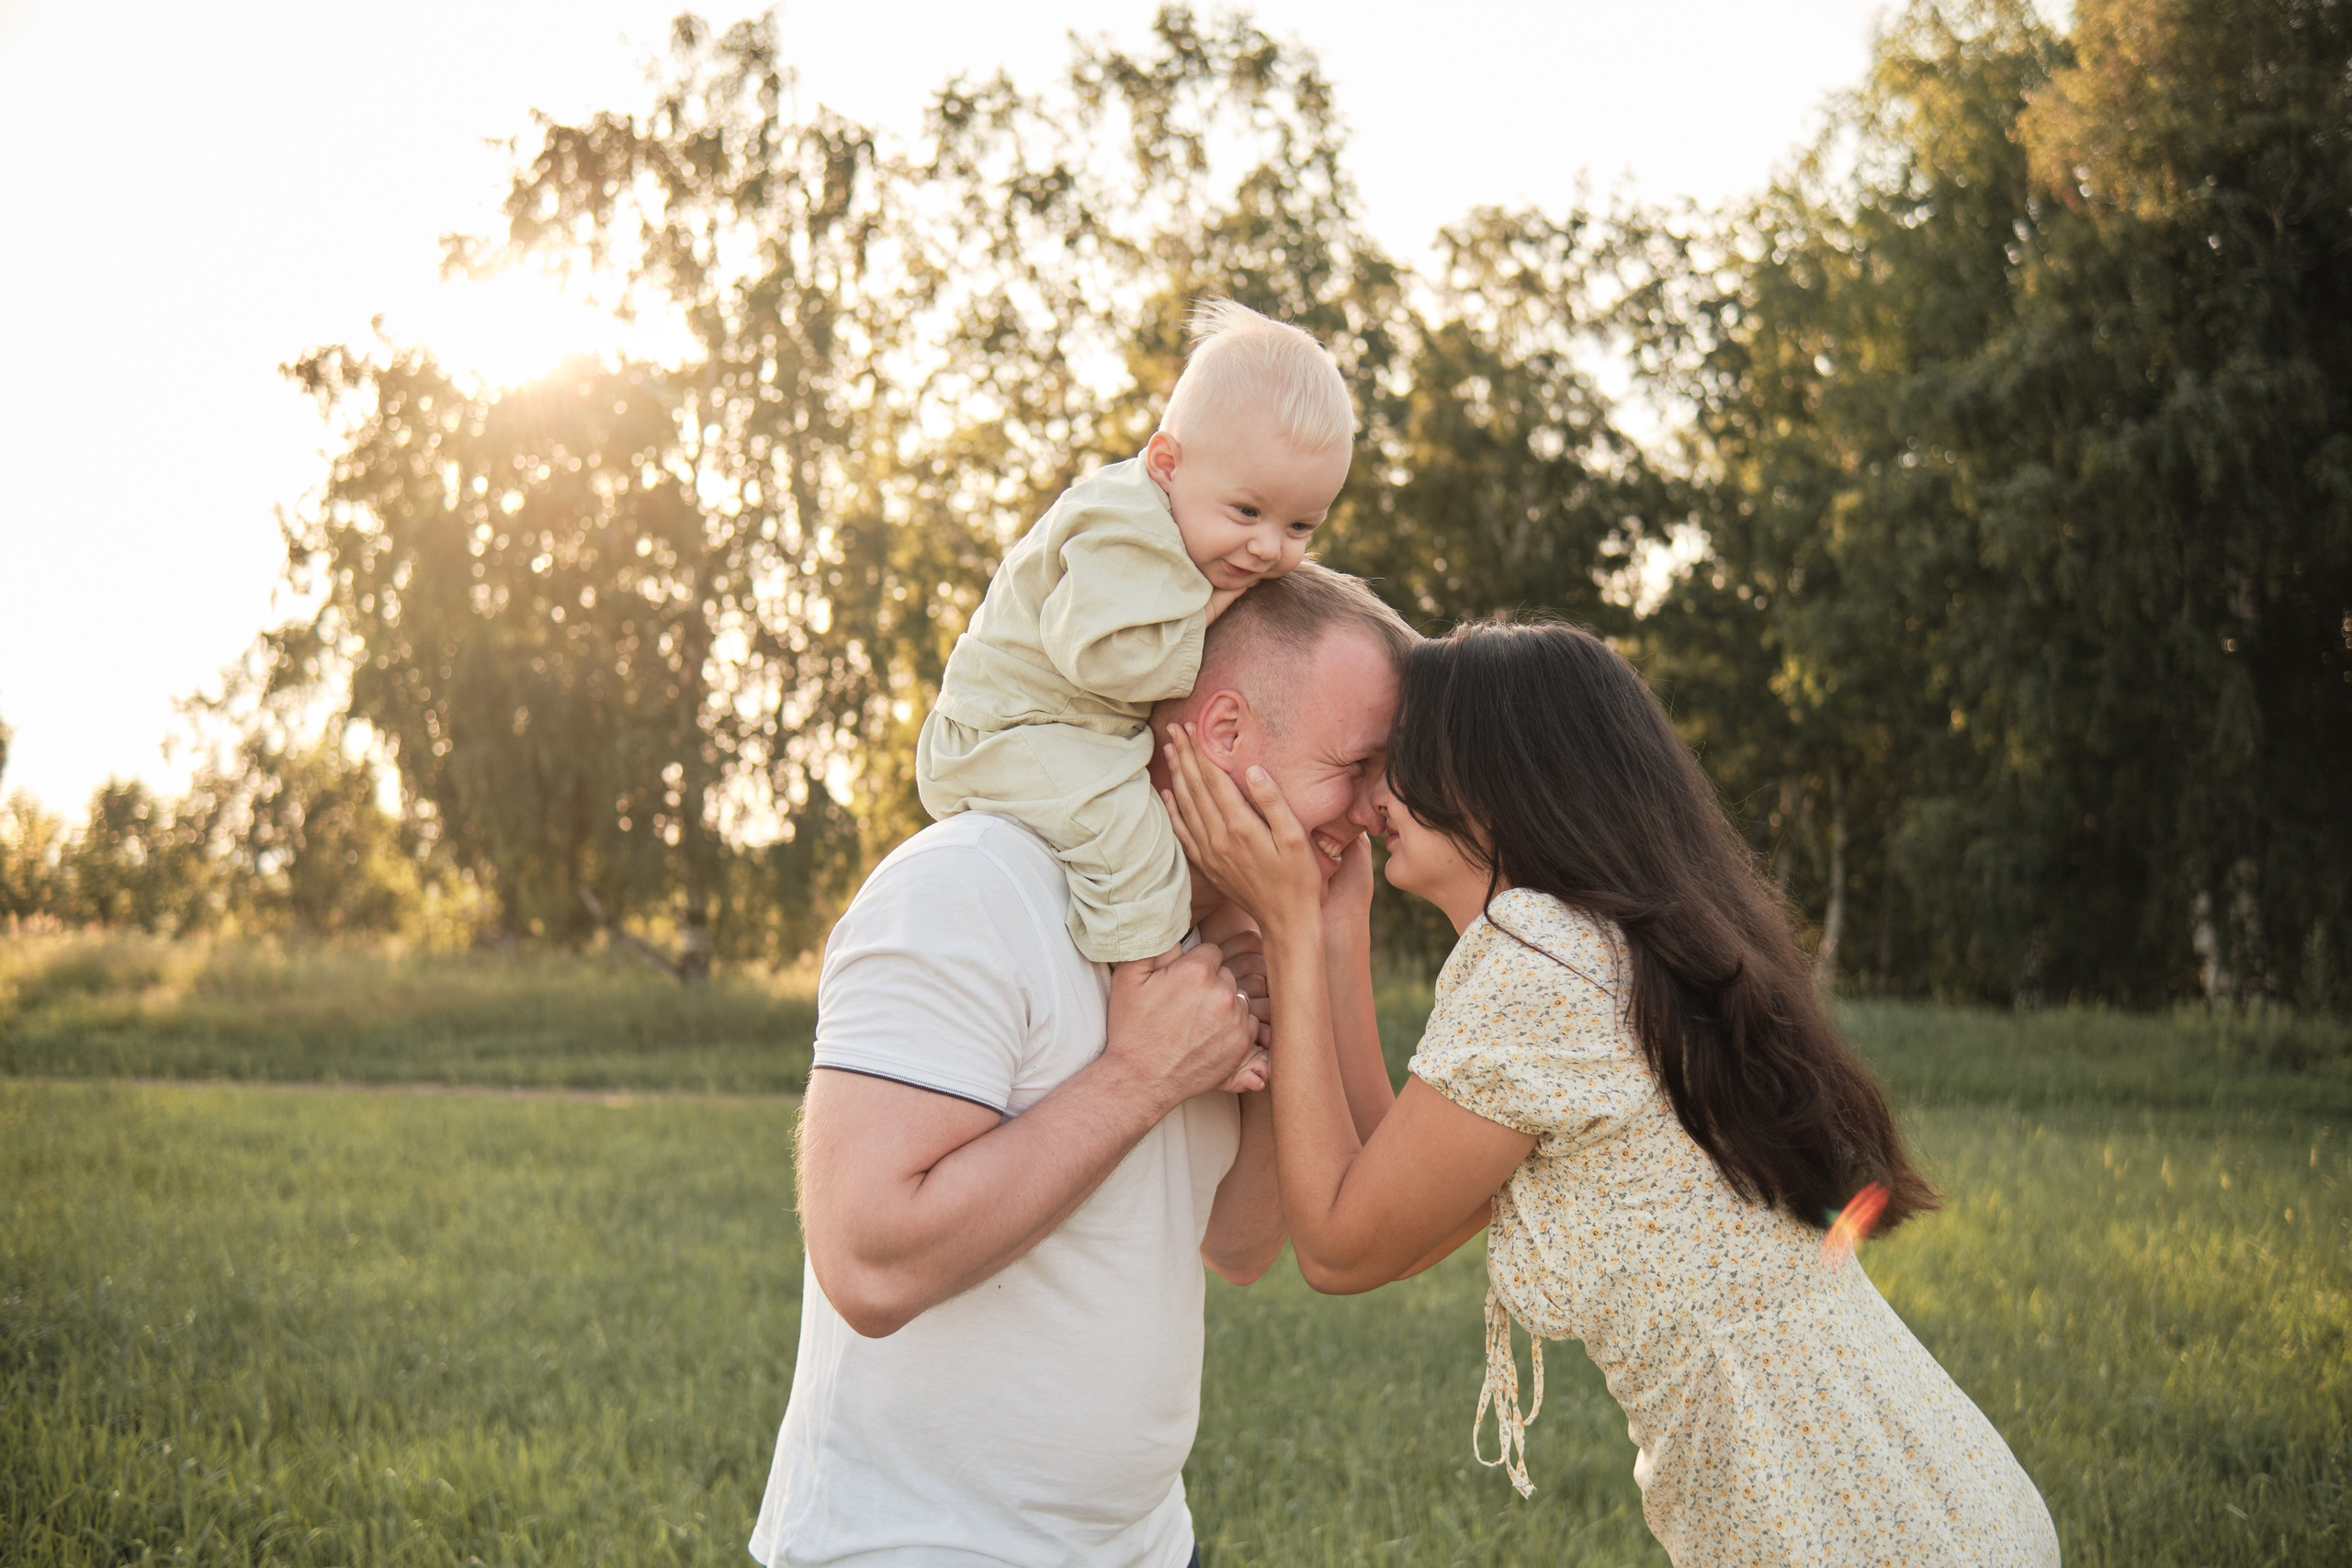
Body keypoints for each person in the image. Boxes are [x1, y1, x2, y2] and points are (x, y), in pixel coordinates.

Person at [1161, 616, 2063, 1568]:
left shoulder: (1538, 961)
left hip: (1850, 1534)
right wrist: (1340, 930)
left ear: (1489, 778)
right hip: (1929, 1505)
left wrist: (1288, 930)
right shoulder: (1599, 945)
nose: (1373, 796)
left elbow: (1341, 1249)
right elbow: (1399, 1196)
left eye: (1400, 760)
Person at [750, 563, 1419, 1568]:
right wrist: (1140, 1074)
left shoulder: (1225, 933)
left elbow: (1237, 1244)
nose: (1376, 811)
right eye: (1357, 765)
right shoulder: (968, 885)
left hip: (1146, 1548)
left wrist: (1303, 950)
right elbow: (869, 1264)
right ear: (1225, 734)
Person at [916, 298, 1355, 967]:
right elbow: (1096, 655)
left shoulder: (1183, 525)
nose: (1269, 546)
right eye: (1247, 510)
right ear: (1167, 463)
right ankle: (1145, 993)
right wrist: (1202, 615)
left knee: (1165, 833)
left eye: (1300, 527)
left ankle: (1189, 962)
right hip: (1007, 732)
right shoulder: (1126, 527)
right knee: (1133, 841)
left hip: (1062, 731)